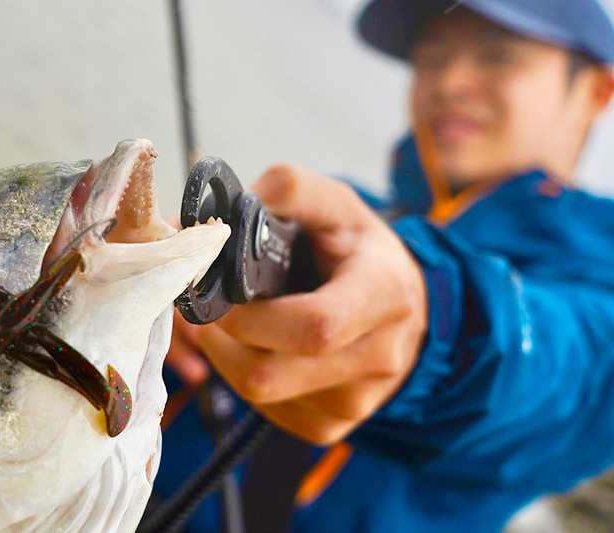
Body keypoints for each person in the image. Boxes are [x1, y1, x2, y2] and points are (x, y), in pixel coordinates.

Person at [152, 0, 614, 531]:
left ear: (596, 91)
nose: (450, 82)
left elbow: (559, 367)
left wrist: (429, 324)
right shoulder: (341, 215)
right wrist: (163, 296)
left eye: (498, 56)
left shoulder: (600, 291)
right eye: (432, 58)